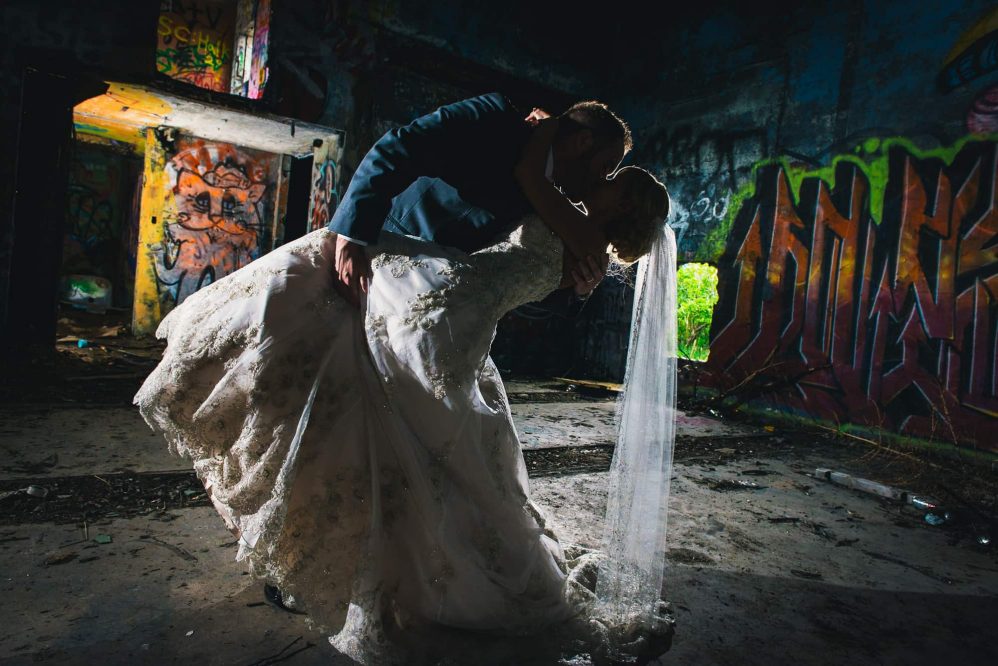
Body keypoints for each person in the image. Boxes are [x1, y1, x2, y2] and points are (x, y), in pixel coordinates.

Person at [134, 106, 675, 664]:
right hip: (404, 268)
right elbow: (397, 147)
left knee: (390, 440)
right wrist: (352, 231)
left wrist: (545, 150)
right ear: (582, 139)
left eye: (616, 178)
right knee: (334, 400)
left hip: (437, 308)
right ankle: (322, 559)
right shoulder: (502, 127)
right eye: (607, 165)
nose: (603, 179)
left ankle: (355, 570)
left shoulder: (559, 194)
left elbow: (528, 205)